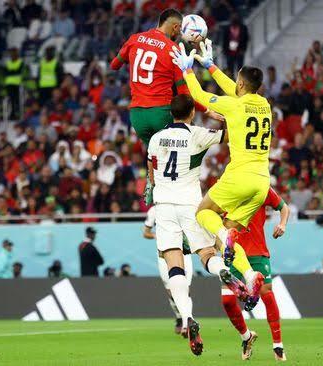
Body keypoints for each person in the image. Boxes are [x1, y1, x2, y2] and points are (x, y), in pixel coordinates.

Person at [171, 38, 271, 308]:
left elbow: (200, 97)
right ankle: (250, 275)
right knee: (224, 232)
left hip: (240, 176)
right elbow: (236, 90)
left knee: (204, 212)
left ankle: (228, 240)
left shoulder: (235, 106)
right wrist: (211, 66)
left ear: (240, 85)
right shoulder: (264, 104)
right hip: (262, 183)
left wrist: (187, 70)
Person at [147, 94, 245, 356]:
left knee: (173, 261)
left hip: (164, 205)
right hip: (190, 203)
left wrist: (152, 187)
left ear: (171, 113)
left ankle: (188, 317)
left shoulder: (156, 139)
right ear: (191, 113)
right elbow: (232, 135)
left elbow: (151, 171)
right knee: (206, 253)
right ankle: (222, 270)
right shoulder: (198, 134)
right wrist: (221, 118)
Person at [109, 8, 221, 204]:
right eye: (180, 30)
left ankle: (151, 184)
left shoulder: (135, 39)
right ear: (176, 27)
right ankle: (184, 206)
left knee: (156, 154)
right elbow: (185, 93)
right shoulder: (172, 50)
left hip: (137, 116)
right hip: (161, 113)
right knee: (185, 153)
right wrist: (207, 110)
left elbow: (114, 65)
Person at [220, 187, 290, 361]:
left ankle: (278, 345)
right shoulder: (227, 187)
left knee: (266, 293)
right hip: (234, 252)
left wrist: (282, 224)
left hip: (258, 252)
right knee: (227, 300)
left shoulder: (262, 188)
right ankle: (246, 336)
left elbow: (284, 207)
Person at [143, 205, 194, 337]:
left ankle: (186, 323)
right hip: (164, 253)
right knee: (171, 291)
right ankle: (179, 317)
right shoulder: (154, 210)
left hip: (184, 253)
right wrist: (156, 236)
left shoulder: (184, 206)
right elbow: (145, 232)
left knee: (185, 288)